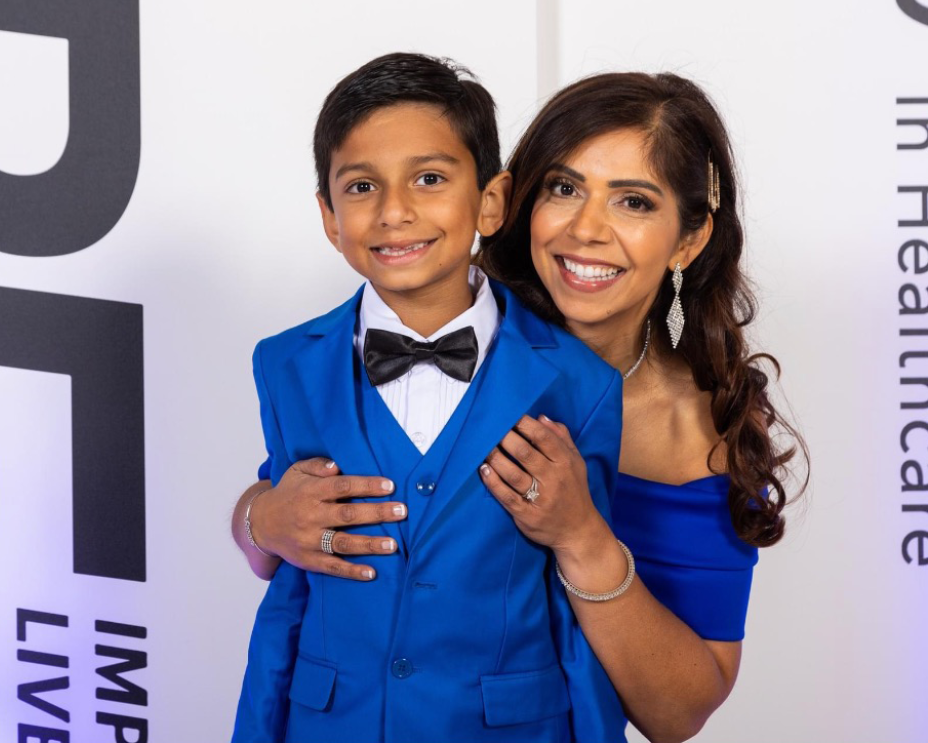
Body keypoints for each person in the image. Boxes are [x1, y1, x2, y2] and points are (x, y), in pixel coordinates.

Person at [232, 71, 806, 743]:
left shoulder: (694, 429)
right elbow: (291, 504)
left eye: (634, 202)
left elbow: (678, 713)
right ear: (511, 202)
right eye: (563, 188)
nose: (587, 228)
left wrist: (584, 537)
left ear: (687, 238)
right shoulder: (435, 298)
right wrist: (257, 518)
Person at [232, 53, 629, 743]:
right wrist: (263, 516)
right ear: (329, 215)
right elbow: (285, 571)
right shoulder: (285, 365)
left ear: (491, 200)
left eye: (429, 178)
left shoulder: (579, 382)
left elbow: (575, 607)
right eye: (360, 186)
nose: (394, 211)